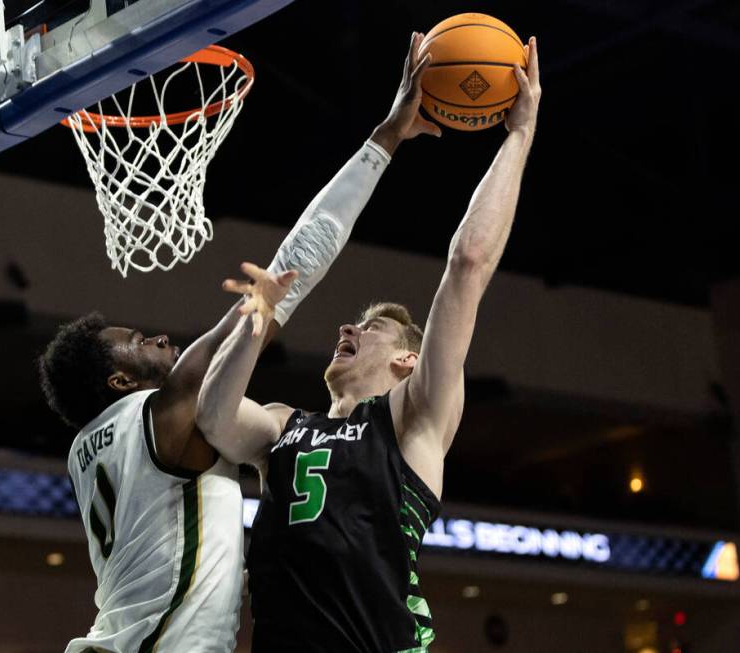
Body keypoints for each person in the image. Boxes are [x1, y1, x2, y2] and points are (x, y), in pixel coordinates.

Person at [37, 32, 439, 653]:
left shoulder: (85, 450)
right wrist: (384, 140)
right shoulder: (170, 408)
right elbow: (297, 261)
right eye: (139, 343)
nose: (160, 338)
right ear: (120, 381)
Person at [195, 34, 541, 653]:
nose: (346, 330)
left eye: (371, 327)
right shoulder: (282, 427)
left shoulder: (413, 421)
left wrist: (518, 137)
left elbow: (466, 264)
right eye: (355, 325)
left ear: (409, 359)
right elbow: (213, 416)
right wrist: (257, 315)